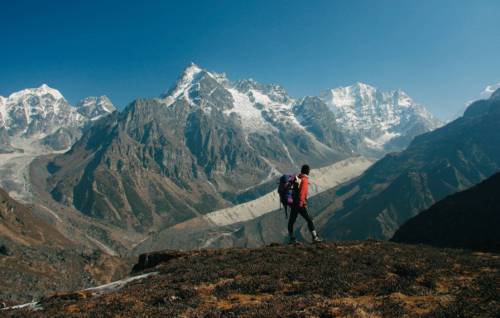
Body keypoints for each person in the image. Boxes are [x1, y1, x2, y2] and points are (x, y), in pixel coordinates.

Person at [288, 164, 322, 244]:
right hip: (300, 204)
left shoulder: (298, 178)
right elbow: (302, 193)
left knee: (291, 221)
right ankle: (315, 237)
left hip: (294, 203)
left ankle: (292, 238)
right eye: (309, 170)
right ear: (307, 171)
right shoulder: (304, 180)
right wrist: (301, 203)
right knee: (309, 220)